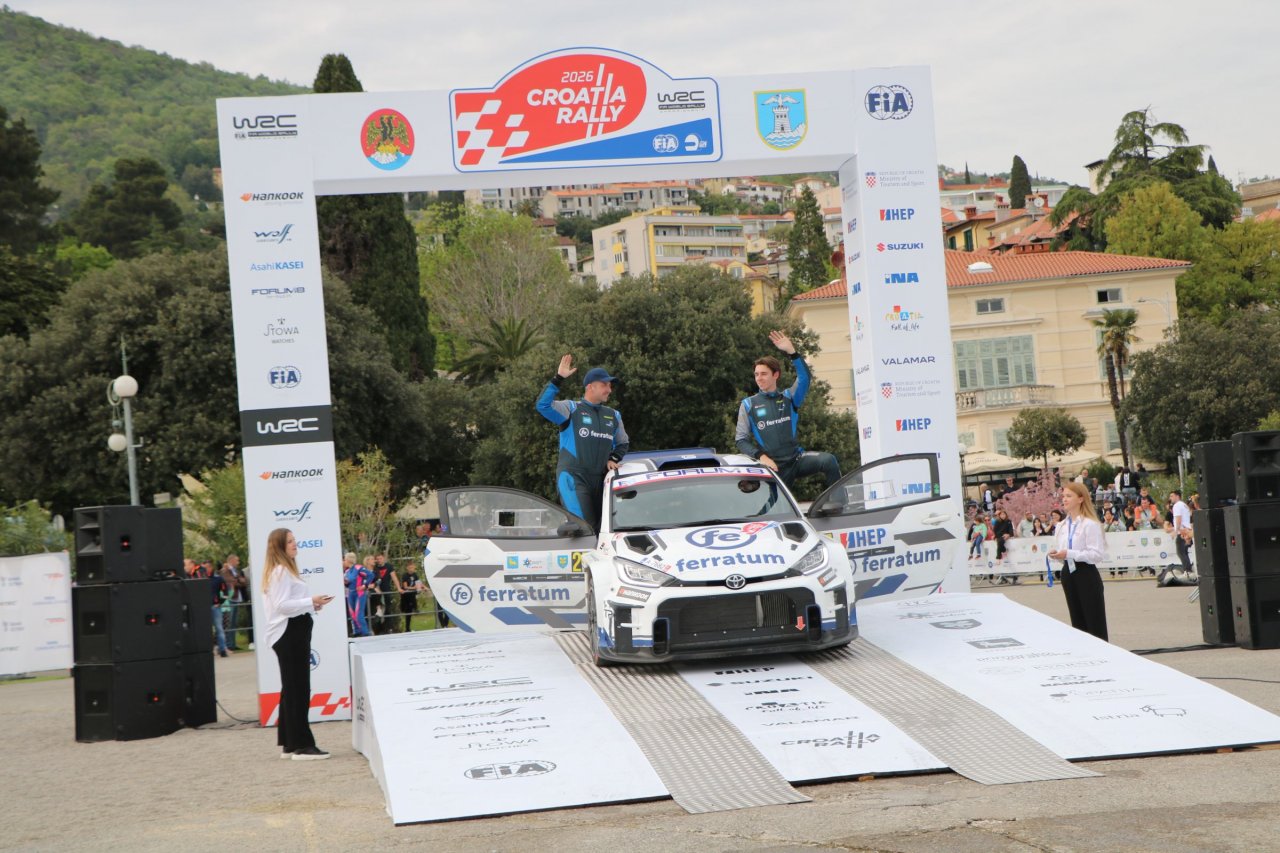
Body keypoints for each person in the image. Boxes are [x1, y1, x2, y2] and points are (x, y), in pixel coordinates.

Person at [735, 330, 840, 491]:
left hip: (796, 460)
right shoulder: (748, 404)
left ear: (776, 375)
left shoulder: (789, 397)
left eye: (764, 374)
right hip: (773, 466)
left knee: (829, 460)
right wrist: (761, 457)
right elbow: (741, 440)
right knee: (773, 504)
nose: (759, 378)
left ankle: (839, 503)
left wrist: (792, 352)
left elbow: (805, 379)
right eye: (756, 374)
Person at [261, 527, 333, 760]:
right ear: (280, 546)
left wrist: (311, 604)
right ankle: (302, 745)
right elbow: (282, 606)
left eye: (294, 540)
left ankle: (290, 743)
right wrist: (310, 600)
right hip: (289, 633)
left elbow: (288, 604)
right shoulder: (281, 571)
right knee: (298, 689)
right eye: (290, 541)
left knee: (292, 688)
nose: (295, 544)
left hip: (291, 631)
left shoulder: (282, 571)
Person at [535, 354, 630, 529]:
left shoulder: (613, 415)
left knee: (605, 529)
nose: (609, 390)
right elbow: (543, 406)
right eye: (604, 385)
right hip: (573, 478)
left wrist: (613, 458)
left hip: (601, 480)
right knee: (585, 528)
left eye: (610, 386)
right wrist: (558, 378)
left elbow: (623, 443)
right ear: (590, 387)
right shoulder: (571, 409)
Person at [1048, 481, 1110, 641]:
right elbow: (1063, 550)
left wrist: (1070, 553)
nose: (1064, 499)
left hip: (1086, 573)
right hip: (1068, 573)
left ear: (1081, 499)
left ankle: (1101, 652)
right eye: (1063, 496)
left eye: (1069, 496)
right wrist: (1057, 555)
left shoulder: (1090, 524)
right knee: (1077, 621)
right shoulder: (1061, 526)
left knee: (1094, 621)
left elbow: (1096, 554)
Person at [220, 553, 249, 650]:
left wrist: (238, 580)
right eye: (237, 560)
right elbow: (231, 582)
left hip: (236, 599)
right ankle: (229, 644)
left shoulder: (235, 570)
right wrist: (238, 580)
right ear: (231, 560)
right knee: (229, 623)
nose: (238, 562)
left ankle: (232, 644)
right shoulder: (225, 571)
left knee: (234, 623)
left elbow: (244, 582)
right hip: (230, 599)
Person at [343, 552, 374, 638]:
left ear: (349, 560)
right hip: (350, 593)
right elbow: (348, 584)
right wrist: (346, 583)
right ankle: (357, 631)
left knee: (358, 613)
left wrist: (364, 586)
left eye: (345, 560)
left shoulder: (358, 567)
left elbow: (371, 575)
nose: (344, 561)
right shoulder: (347, 571)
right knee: (352, 614)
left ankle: (365, 632)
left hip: (359, 593)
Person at [370, 553, 400, 635]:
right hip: (377, 592)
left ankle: (389, 628)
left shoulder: (389, 566)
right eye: (377, 559)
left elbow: (394, 577)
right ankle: (378, 629)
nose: (379, 560)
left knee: (388, 610)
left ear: (383, 558)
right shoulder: (375, 567)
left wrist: (398, 588)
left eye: (380, 558)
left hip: (387, 590)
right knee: (377, 611)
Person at [1169, 490, 1194, 574]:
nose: (1170, 498)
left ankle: (1188, 571)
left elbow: (1178, 519)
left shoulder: (1177, 506)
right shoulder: (1184, 505)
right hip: (1187, 530)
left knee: (1181, 552)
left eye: (1172, 496)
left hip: (1182, 531)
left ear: (1177, 496)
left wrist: (1176, 531)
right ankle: (1188, 569)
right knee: (1184, 552)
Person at [400, 560, 424, 632]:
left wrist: (424, 587)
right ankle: (415, 607)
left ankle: (408, 628)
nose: (411, 569)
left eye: (412, 568)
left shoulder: (415, 575)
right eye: (410, 568)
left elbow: (419, 583)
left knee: (409, 612)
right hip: (406, 596)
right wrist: (414, 588)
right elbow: (405, 587)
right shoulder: (405, 575)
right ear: (407, 568)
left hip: (412, 595)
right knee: (407, 611)